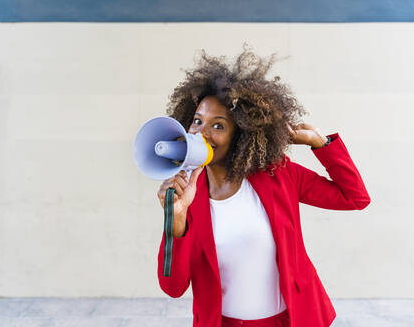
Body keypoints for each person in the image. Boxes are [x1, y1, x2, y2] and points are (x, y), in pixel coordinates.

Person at [156, 46, 371, 327]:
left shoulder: (278, 175)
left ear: (242, 134)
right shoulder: (187, 196)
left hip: (289, 320)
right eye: (197, 121)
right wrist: (176, 220)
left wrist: (320, 144)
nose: (201, 132)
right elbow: (173, 288)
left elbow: (354, 198)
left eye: (218, 126)